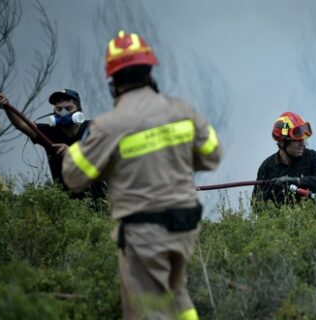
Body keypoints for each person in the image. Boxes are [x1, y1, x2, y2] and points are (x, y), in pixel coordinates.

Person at [61, 30, 222, 320]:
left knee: (149, 310)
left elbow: (73, 177)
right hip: (185, 224)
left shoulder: (110, 125)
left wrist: (76, 148)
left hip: (144, 232)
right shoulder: (182, 111)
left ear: (113, 83)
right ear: (150, 71)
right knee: (176, 295)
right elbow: (213, 154)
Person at [0, 90, 106, 201]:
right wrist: (6, 107)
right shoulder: (49, 132)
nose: (63, 113)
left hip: (101, 201)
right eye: (59, 109)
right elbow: (22, 124)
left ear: (79, 111)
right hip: (68, 205)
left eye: (68, 108)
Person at [252, 111, 316, 208]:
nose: (302, 144)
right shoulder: (267, 167)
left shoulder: (313, 158)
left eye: (303, 139)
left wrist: (298, 181)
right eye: (297, 140)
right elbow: (256, 203)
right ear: (282, 142)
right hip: (282, 221)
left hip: (315, 220)